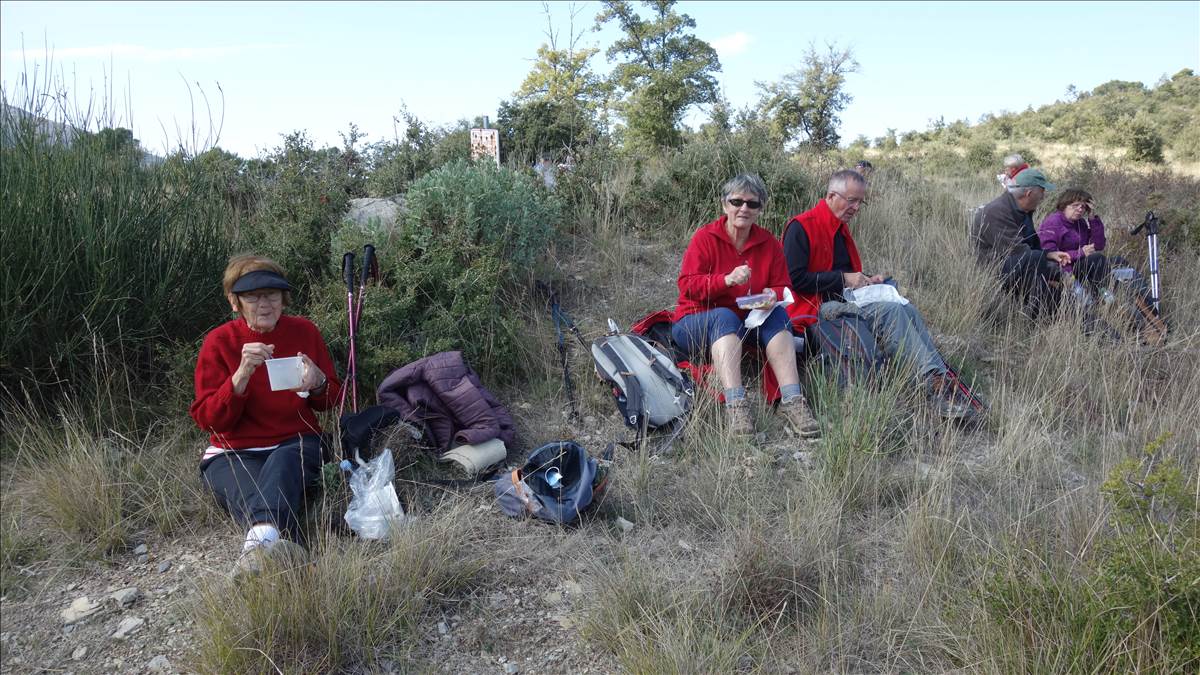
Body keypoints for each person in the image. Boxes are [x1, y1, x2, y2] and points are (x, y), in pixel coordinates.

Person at [190, 254, 342, 579]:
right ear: (235, 302)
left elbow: (331, 400)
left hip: (297, 440)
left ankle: (255, 553)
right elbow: (208, 420)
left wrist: (318, 382)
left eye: (272, 294)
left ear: (283, 298)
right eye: (253, 296)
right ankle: (287, 557)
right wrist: (240, 376)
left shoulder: (304, 332)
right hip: (233, 451)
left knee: (285, 462)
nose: (265, 304)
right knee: (252, 490)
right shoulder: (219, 343)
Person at [782, 170, 970, 418]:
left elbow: (842, 271)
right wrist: (844, 279)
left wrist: (868, 279)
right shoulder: (801, 227)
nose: (857, 208)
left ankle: (940, 378)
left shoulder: (839, 228)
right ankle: (930, 384)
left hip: (845, 298)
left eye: (861, 201)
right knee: (891, 311)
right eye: (852, 200)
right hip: (815, 309)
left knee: (906, 308)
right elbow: (794, 280)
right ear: (831, 196)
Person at [671, 174, 820, 438]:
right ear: (724, 205)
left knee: (777, 316)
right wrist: (725, 281)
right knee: (724, 317)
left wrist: (771, 296)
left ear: (760, 209)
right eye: (737, 201)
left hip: (749, 321)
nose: (744, 208)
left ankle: (792, 400)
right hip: (695, 324)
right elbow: (687, 286)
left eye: (752, 204)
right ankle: (735, 403)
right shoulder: (705, 238)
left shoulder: (769, 244)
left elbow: (782, 285)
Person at [971, 168, 1071, 319]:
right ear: (1029, 193)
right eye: (1042, 191)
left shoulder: (1022, 210)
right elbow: (1019, 252)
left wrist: (1051, 257)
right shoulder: (997, 212)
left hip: (1018, 265)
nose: (1043, 197)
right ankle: (1038, 315)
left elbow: (1029, 249)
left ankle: (1062, 311)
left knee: (1064, 289)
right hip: (994, 270)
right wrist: (1054, 272)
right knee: (1041, 266)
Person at [1038, 188, 1113, 304]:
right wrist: (1080, 253)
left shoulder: (1080, 223)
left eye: (1083, 207)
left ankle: (1106, 294)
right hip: (1063, 269)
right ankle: (1103, 296)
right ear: (1064, 205)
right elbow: (1049, 254)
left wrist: (1092, 218)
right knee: (1096, 259)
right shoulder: (1053, 222)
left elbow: (1098, 245)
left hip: (1079, 265)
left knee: (1115, 260)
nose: (1080, 209)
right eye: (1075, 205)